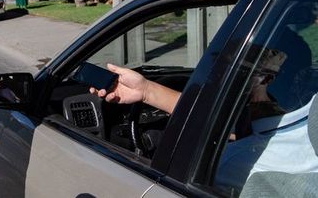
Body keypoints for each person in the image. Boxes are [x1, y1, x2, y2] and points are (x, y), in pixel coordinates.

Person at [90, 47, 318, 193]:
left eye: (237, 72)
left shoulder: (232, 163)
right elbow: (227, 126)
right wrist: (147, 91)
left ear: (267, 78)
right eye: (221, 71)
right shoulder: (301, 116)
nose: (218, 80)